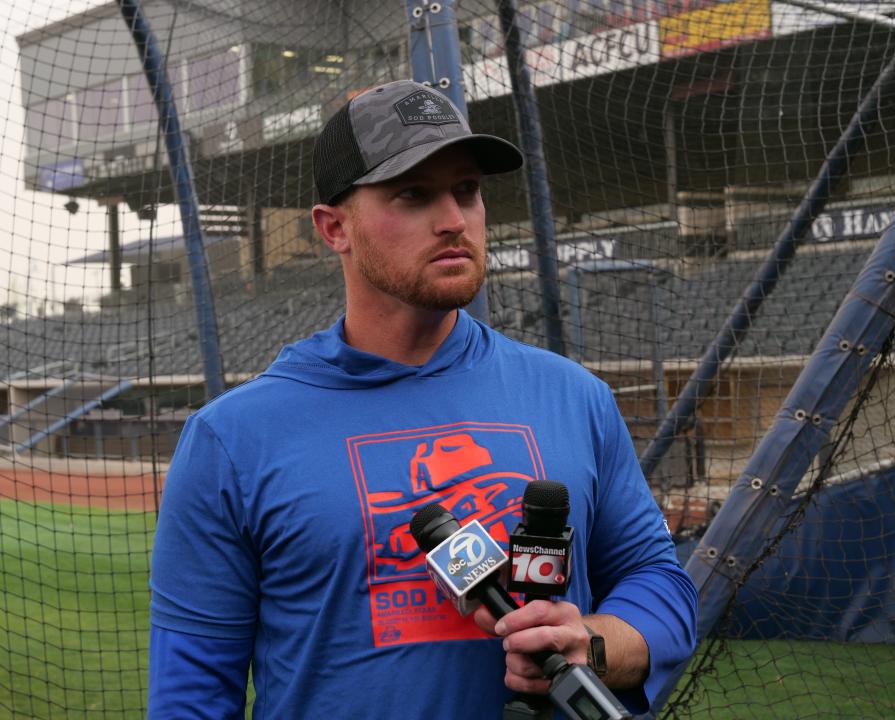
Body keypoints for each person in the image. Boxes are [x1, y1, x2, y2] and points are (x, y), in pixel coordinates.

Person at [148, 79, 698, 719]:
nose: (453, 220)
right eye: (413, 194)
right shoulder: (232, 439)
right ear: (333, 228)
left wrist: (590, 645)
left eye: (466, 191)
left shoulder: (575, 396)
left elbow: (662, 589)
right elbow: (190, 696)